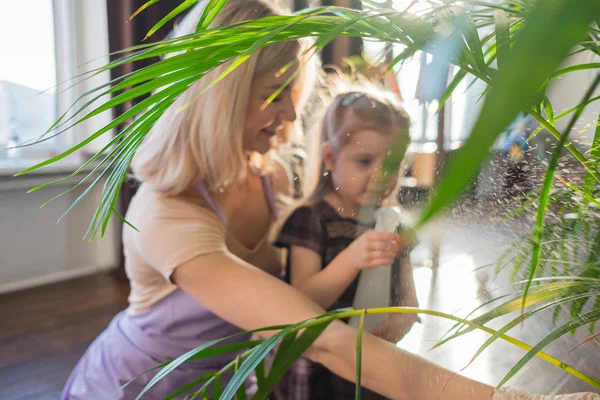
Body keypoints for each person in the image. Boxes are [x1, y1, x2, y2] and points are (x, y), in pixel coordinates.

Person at [60, 1, 600, 399]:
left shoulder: (270, 175)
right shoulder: (165, 212)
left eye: (293, 98)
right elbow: (320, 340)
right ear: (218, 98)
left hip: (230, 382)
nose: (291, 120)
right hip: (134, 387)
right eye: (274, 95)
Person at [272, 87, 420, 400]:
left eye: (392, 164)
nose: (380, 175)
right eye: (365, 161)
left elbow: (408, 301)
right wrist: (352, 258)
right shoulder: (313, 219)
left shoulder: (393, 223)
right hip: (317, 371)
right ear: (330, 157)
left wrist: (400, 322)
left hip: (371, 366)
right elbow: (302, 301)